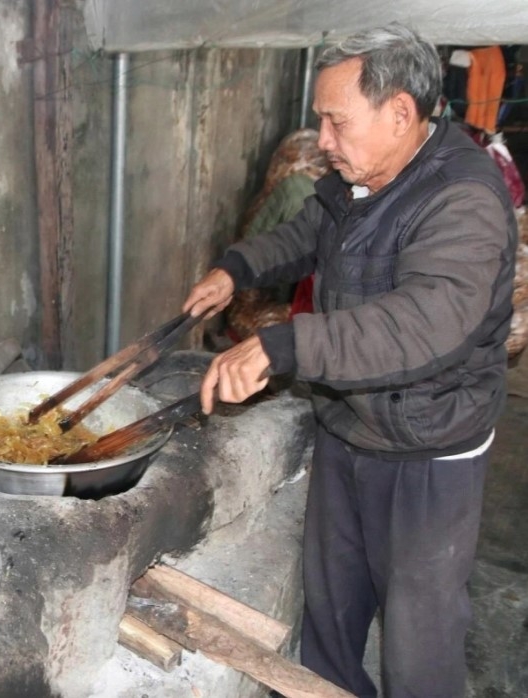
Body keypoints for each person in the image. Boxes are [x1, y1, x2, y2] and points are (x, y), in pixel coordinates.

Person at [181, 23, 518, 698]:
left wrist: (286, 345)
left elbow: (424, 325)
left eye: (336, 121)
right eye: (321, 121)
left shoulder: (464, 200)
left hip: (428, 450)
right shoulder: (356, 176)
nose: (324, 140)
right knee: (330, 618)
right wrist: (236, 268)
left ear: (400, 113)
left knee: (419, 648)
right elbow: (310, 232)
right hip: (349, 426)